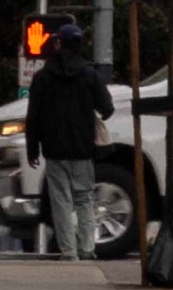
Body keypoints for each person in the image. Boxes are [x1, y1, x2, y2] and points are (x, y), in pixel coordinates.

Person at [24, 20, 111, 262]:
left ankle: (68, 251)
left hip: (54, 148)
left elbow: (33, 117)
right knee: (84, 198)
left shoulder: (43, 77)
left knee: (60, 200)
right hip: (82, 148)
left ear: (58, 43)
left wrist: (33, 148)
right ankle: (87, 248)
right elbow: (107, 107)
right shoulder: (89, 74)